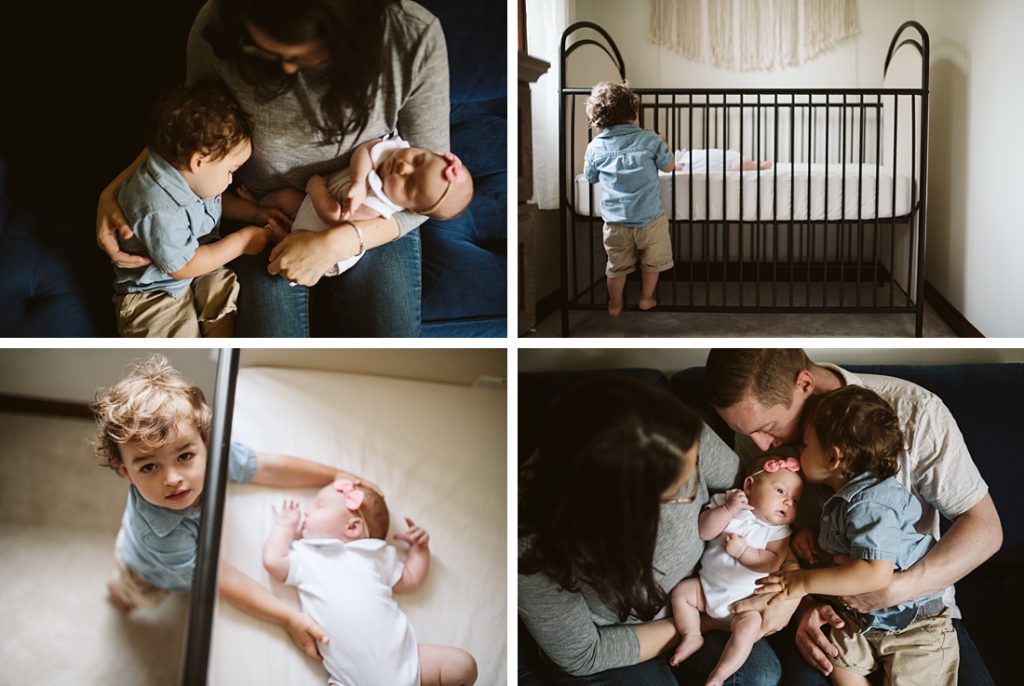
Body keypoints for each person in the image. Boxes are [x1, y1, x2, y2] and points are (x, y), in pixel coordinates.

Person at [97, 0, 452, 337]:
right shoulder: (219, 23)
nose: (287, 70)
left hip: (371, 209)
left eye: (299, 55)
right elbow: (191, 132)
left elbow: (432, 197)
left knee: (389, 344)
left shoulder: (413, 39)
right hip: (260, 209)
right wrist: (115, 188)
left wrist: (341, 240)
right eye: (266, 52)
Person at [703, 349, 1001, 685]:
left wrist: (897, 588)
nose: (760, 447)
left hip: (916, 614)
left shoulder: (915, 411)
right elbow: (765, 533)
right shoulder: (755, 437)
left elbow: (986, 528)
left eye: (768, 427)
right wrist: (801, 604)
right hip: (834, 616)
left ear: (804, 384)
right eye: (746, 433)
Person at [93, 354, 375, 662]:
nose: (172, 479)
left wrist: (333, 475)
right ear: (125, 473)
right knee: (140, 597)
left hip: (178, 563)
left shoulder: (214, 458)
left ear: (206, 444)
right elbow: (221, 578)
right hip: (145, 571)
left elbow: (267, 467)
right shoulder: (159, 534)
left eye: (184, 457)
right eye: (148, 467)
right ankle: (118, 595)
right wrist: (287, 617)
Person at [518, 375, 781, 685]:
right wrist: (699, 625)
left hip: (702, 595)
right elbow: (584, 654)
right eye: (678, 493)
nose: (695, 489)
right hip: (613, 640)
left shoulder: (676, 433)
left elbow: (759, 499)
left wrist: (790, 586)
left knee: (760, 675)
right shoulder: (531, 538)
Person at [757, 386, 959, 685]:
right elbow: (850, 548)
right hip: (861, 619)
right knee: (836, 659)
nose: (799, 451)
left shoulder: (870, 503)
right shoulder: (844, 498)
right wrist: (808, 536)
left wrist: (801, 582)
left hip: (915, 627)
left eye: (806, 444)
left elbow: (874, 574)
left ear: (834, 458)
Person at [112, 81, 288, 337]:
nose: (231, 180)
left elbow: (215, 201)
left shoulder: (191, 175)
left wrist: (255, 212)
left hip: (198, 264)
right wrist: (242, 242)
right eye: (230, 171)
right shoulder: (156, 206)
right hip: (153, 290)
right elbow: (182, 266)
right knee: (173, 333)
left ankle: (220, 345)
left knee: (220, 286)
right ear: (199, 161)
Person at [263, 481, 478, 686]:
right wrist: (284, 528)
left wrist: (420, 551)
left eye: (319, 506)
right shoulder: (307, 555)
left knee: (464, 665)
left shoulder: (376, 554)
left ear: (353, 527)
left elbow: (411, 579)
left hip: (408, 666)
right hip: (348, 680)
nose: (307, 512)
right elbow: (273, 561)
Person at [251, 132, 473, 278]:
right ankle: (253, 207)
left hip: (324, 230)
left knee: (289, 261)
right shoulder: (393, 153)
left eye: (410, 185)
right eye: (417, 160)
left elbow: (336, 216)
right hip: (309, 206)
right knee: (283, 197)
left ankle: (284, 238)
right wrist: (358, 181)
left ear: (412, 209)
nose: (404, 168)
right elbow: (366, 150)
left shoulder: (377, 205)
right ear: (430, 151)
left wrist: (315, 189)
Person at [670, 453, 803, 686]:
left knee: (748, 631)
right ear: (749, 486)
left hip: (744, 605)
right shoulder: (729, 501)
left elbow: (771, 562)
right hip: (705, 589)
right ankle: (692, 636)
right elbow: (704, 531)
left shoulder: (779, 531)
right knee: (681, 592)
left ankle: (720, 674)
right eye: (781, 491)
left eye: (796, 500)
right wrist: (728, 511)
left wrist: (744, 553)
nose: (788, 502)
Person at [583, 81, 675, 316]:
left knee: (616, 266)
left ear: (598, 120)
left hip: (615, 222)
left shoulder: (595, 147)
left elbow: (590, 177)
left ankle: (614, 304)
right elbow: (669, 167)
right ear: (634, 112)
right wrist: (664, 143)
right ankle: (646, 298)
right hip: (649, 218)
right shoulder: (650, 139)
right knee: (652, 263)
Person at [673, 148, 772, 173]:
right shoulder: (677, 162)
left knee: (741, 162)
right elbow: (676, 167)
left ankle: (758, 165)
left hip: (726, 157)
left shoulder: (684, 154)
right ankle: (758, 165)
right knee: (741, 164)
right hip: (727, 164)